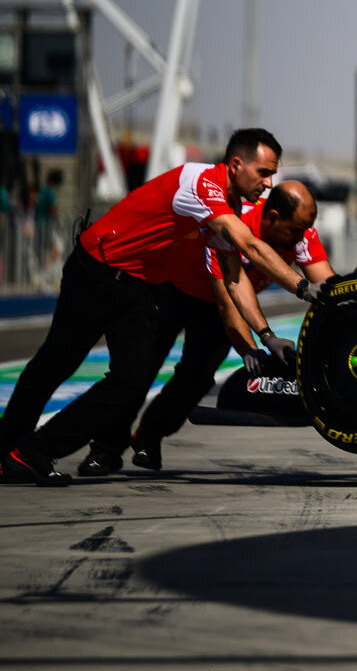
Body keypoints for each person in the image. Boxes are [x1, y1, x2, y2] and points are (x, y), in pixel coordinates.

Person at [0, 129, 324, 486]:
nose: (269, 183)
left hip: (137, 287)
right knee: (55, 364)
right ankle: (9, 451)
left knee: (131, 382)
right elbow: (250, 246)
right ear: (236, 165)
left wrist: (267, 337)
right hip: (97, 270)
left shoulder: (227, 208)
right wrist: (302, 287)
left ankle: (35, 451)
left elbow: (234, 278)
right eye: (263, 172)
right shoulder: (202, 184)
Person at [74, 181, 336, 476]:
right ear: (273, 218)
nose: (302, 237)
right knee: (139, 371)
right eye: (296, 231)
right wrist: (253, 345)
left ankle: (149, 435)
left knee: (196, 379)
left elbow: (330, 289)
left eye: (305, 230)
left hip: (215, 303)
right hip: (172, 289)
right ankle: (105, 450)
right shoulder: (231, 223)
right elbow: (228, 301)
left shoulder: (302, 234)